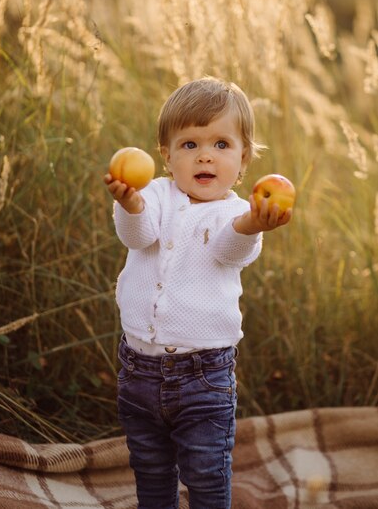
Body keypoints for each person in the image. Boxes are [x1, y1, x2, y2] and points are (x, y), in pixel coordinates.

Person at [104, 77, 292, 509]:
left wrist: (253, 225)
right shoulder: (154, 194)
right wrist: (129, 204)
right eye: (190, 145)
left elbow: (229, 248)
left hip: (204, 377)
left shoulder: (239, 213)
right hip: (138, 372)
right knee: (150, 470)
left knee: (206, 474)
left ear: (243, 158)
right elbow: (139, 235)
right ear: (167, 157)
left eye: (222, 145)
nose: (205, 154)